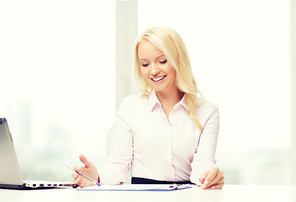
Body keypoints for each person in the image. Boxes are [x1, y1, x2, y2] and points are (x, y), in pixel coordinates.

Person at [72, 26, 225, 189]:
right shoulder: (130, 107)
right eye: (145, 64)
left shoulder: (208, 111)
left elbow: (203, 163)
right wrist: (97, 177)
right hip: (141, 195)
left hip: (187, 195)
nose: (153, 70)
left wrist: (209, 177)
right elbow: (118, 165)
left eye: (162, 61)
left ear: (178, 61)